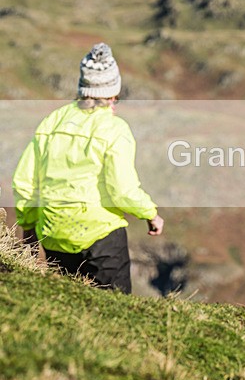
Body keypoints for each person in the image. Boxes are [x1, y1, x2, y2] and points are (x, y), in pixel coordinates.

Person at [12, 42, 164, 293]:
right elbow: (122, 190)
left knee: (68, 306)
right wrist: (150, 214)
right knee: (116, 312)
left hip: (54, 233)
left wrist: (29, 228)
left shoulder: (52, 121)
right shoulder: (115, 129)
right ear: (114, 90)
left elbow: (25, 181)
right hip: (101, 239)